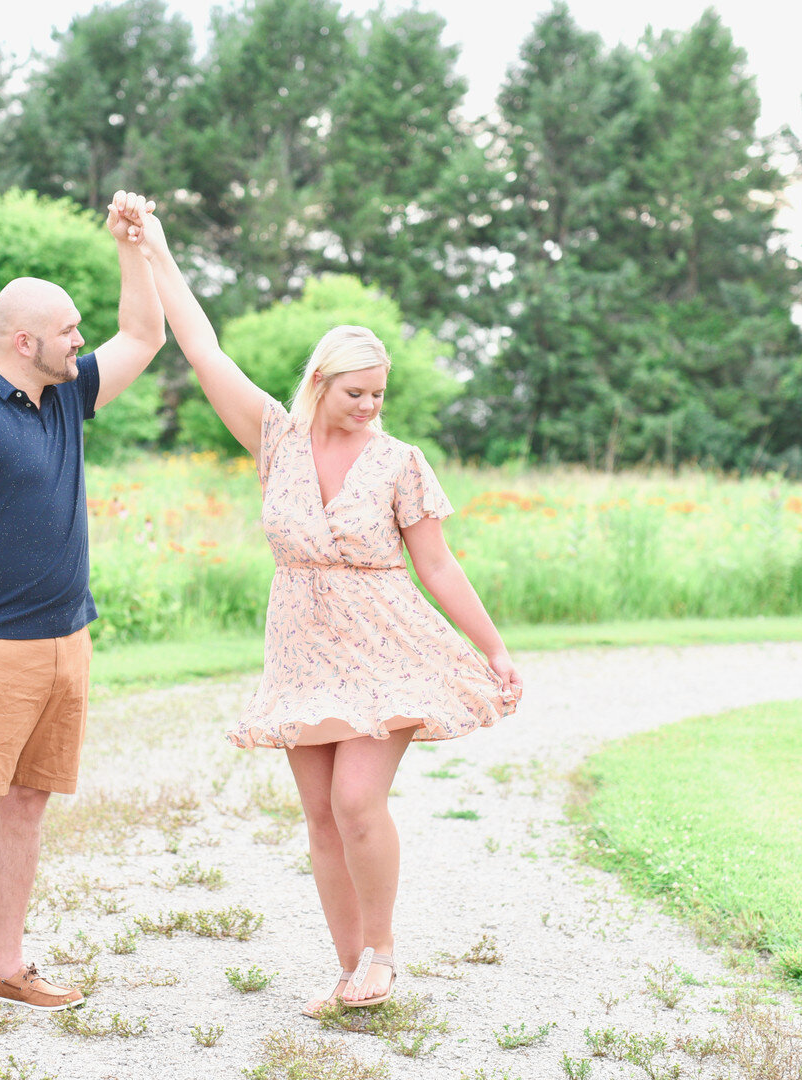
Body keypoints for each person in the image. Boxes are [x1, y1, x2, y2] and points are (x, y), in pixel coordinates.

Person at [128, 205, 523, 1014]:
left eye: (379, 393)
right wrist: (157, 251)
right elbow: (204, 348)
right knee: (318, 813)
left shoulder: (401, 463)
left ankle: (382, 954)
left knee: (355, 801)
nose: (370, 406)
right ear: (319, 382)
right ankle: (350, 972)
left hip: (386, 644)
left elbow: (439, 566)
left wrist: (495, 648)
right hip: (303, 649)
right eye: (355, 392)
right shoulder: (275, 439)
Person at [0, 191, 165, 1031]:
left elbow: (146, 337)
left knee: (27, 806)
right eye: (67, 330)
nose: (80, 340)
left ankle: (6, 965)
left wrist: (133, 245)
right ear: (25, 342)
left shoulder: (65, 397)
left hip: (65, 644)